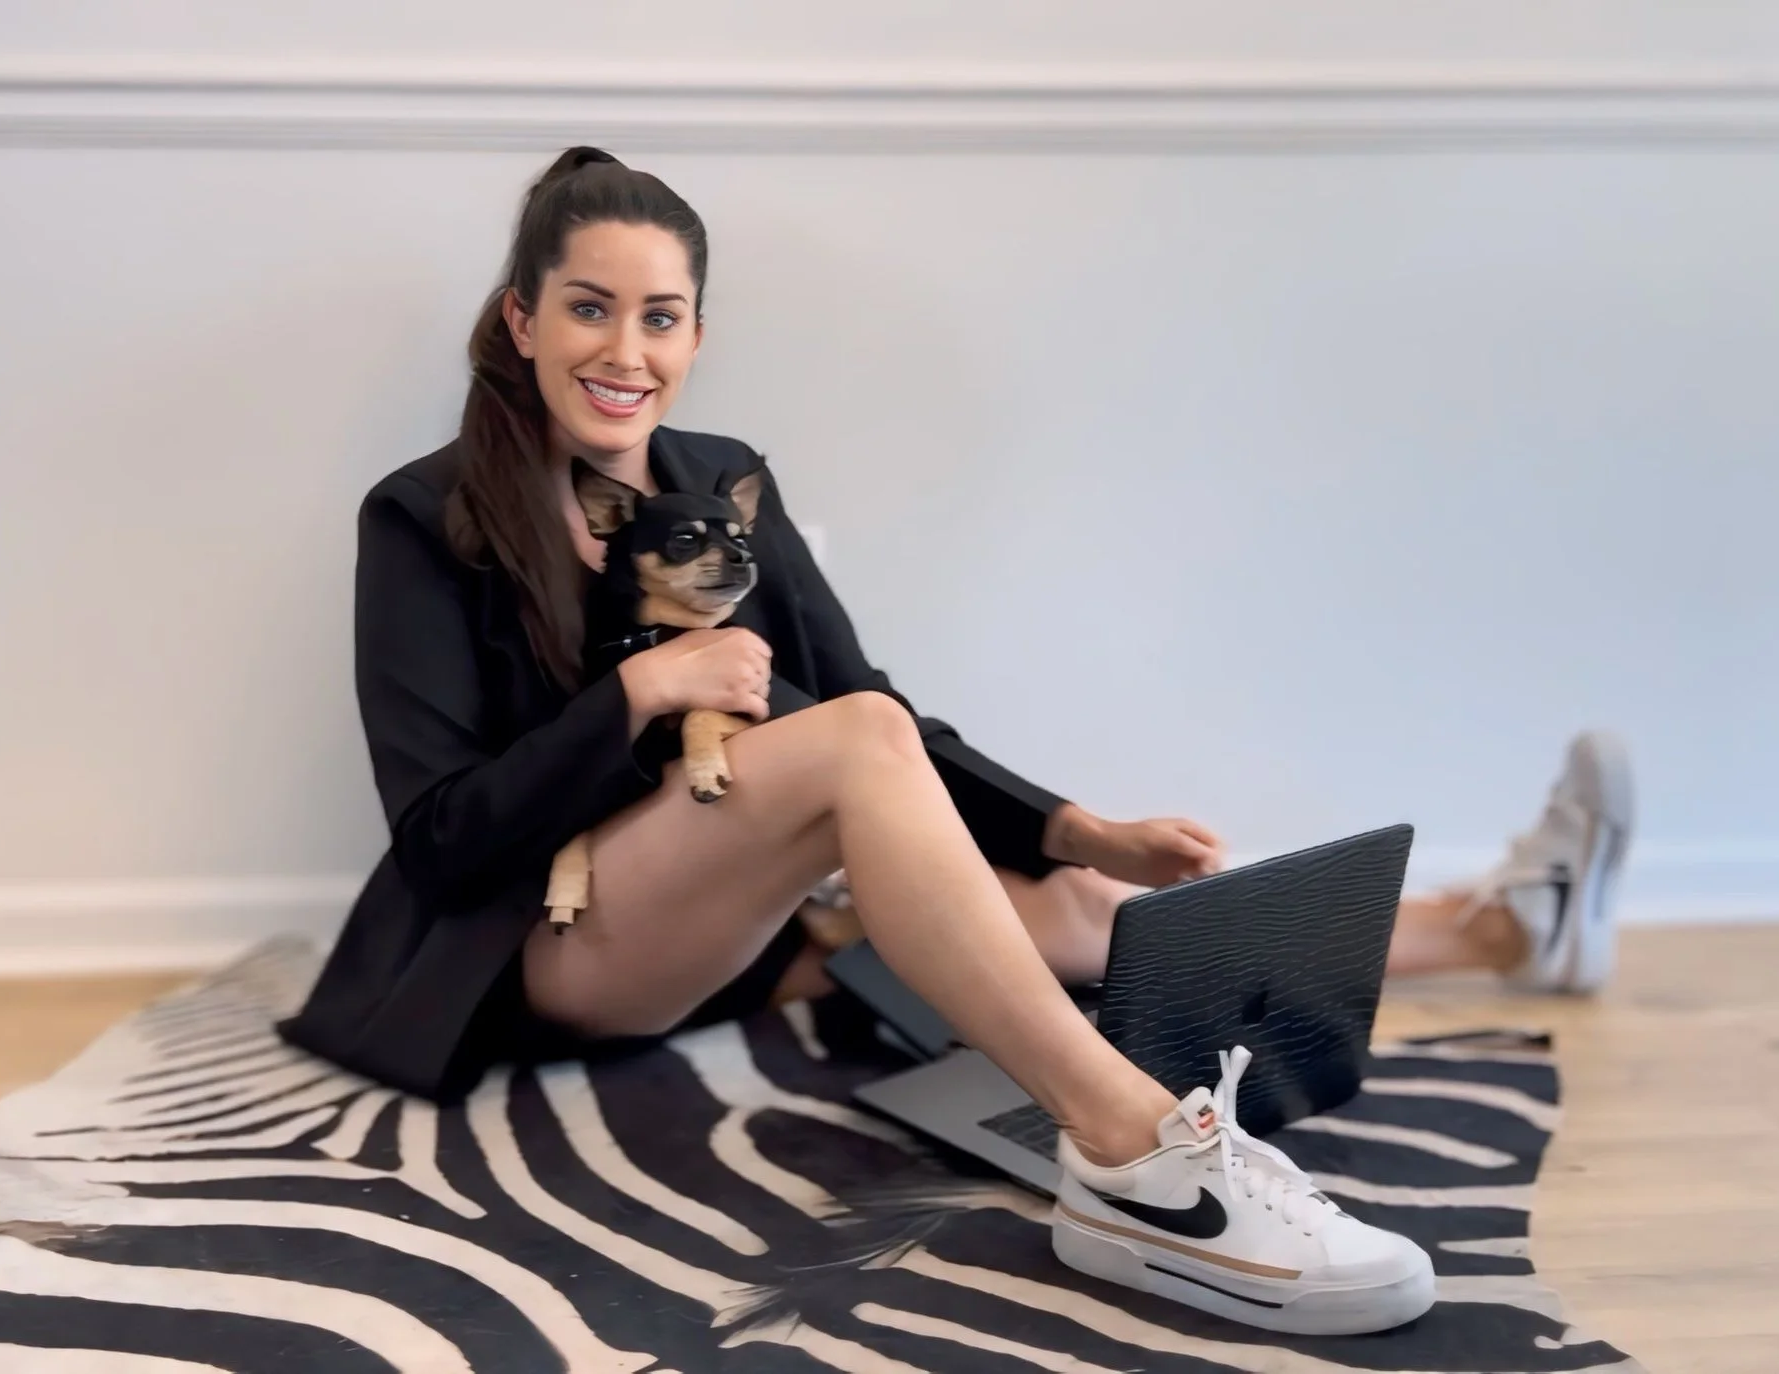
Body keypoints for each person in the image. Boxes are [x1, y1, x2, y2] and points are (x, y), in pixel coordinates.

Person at [278, 146, 1634, 1336]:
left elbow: (878, 704)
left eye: (659, 317)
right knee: (858, 751)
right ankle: (1137, 1154)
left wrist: (1070, 826)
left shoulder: (722, 480)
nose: (623, 351)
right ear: (521, 318)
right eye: (587, 308)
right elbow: (442, 836)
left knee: (1081, 902)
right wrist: (636, 697)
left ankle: (1508, 927)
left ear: (695, 335)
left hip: (752, 931)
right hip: (556, 951)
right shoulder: (424, 516)